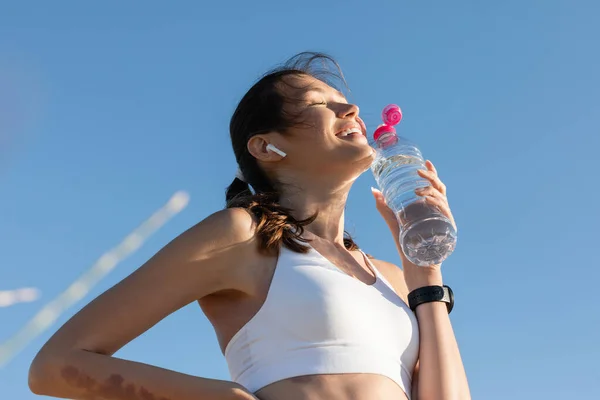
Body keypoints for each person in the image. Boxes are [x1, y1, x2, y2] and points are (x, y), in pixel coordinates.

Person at [28, 52, 471, 400]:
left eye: (346, 102)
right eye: (322, 103)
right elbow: (56, 366)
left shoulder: (395, 278)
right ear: (266, 146)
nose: (353, 108)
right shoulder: (242, 237)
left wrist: (426, 274)